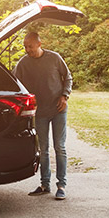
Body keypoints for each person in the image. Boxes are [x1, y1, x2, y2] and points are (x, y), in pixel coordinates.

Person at [13, 31, 72, 200]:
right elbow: (15, 83)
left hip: (58, 109)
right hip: (39, 113)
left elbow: (68, 77)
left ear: (39, 44)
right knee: (43, 149)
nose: (27, 50)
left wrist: (65, 95)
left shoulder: (54, 58)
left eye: (30, 46)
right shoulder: (23, 63)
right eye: (25, 47)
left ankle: (61, 185)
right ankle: (45, 184)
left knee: (59, 147)